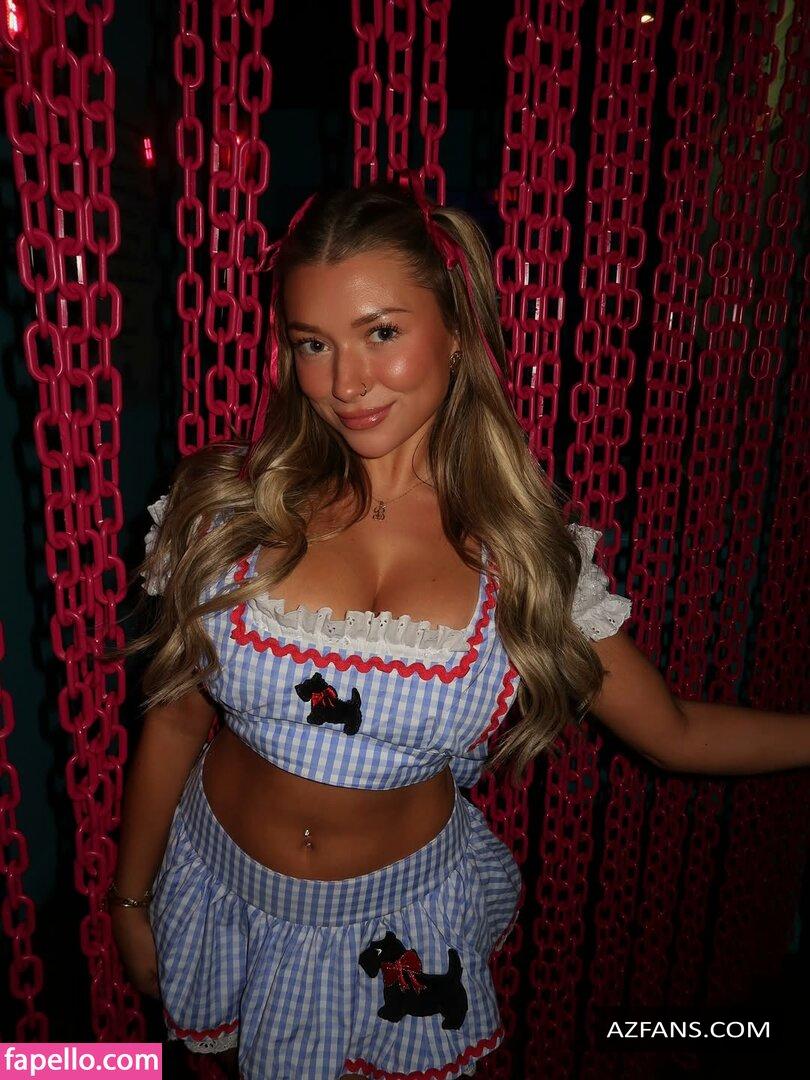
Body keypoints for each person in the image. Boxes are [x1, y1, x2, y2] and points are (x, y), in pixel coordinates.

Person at [107, 181, 810, 1080]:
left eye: (381, 332)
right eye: (313, 343)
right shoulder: (228, 514)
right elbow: (175, 719)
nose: (345, 383)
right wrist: (130, 900)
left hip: (398, 928)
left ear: (456, 330)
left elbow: (674, 734)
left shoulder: (519, 560)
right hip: (219, 893)